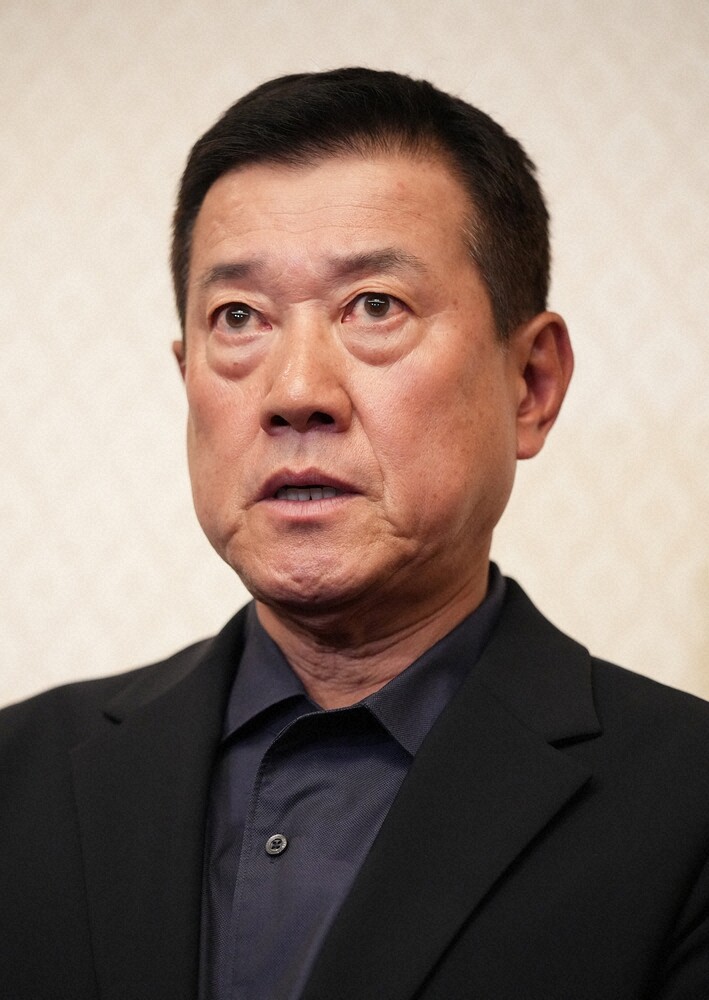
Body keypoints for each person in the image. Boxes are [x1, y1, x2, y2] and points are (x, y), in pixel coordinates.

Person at [1, 67, 708, 1000]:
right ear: (186, 379)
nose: (295, 392)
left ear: (530, 385)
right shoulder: (20, 778)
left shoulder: (685, 806)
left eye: (375, 305)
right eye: (238, 318)